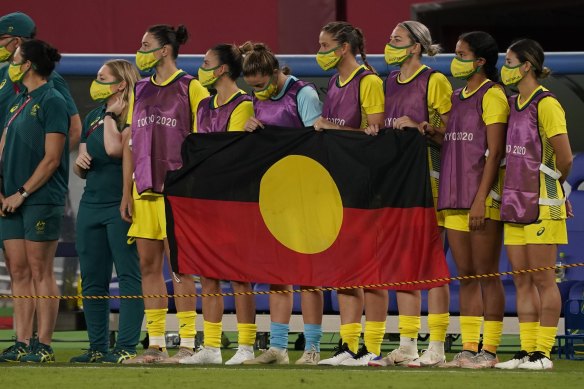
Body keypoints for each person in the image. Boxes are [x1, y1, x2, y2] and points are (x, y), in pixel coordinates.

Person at [365, 21, 452, 368]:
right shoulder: (388, 83)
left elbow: (455, 136)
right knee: (404, 266)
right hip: (398, 187)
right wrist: (375, 129)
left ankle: (438, 347)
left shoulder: (435, 81)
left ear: (415, 47)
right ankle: (407, 344)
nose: (389, 45)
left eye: (396, 40)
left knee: (434, 267)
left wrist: (421, 128)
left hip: (431, 183)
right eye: (389, 39)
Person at [120, 24, 209, 364]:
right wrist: (126, 192)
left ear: (164, 51)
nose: (139, 50)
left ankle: (187, 343)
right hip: (143, 190)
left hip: (177, 193)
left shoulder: (192, 88)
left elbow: (203, 144)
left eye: (145, 45)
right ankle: (156, 344)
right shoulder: (139, 89)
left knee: (182, 269)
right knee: (148, 267)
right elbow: (131, 143)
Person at [0, 14, 81, 362]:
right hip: (10, 191)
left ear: (18, 44)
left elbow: (67, 134)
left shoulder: (52, 91)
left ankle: (43, 344)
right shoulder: (17, 94)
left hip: (38, 191)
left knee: (39, 269)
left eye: (4, 40)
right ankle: (21, 341)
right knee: (18, 269)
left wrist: (50, 168)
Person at [238, 41, 324, 365]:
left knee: (308, 275)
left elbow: (315, 144)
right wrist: (252, 130)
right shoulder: (255, 99)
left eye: (260, 85)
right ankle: (278, 348)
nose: (256, 92)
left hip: (305, 194)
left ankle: (313, 348)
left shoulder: (304, 95)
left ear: (275, 74)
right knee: (277, 274)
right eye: (251, 87)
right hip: (274, 197)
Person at [311, 21, 386, 367]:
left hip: (364, 187)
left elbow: (374, 135)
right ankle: (347, 345)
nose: (321, 51)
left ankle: (370, 348)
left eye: (325, 45)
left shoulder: (368, 81)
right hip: (337, 187)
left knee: (370, 271)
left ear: (343, 48)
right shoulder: (333, 82)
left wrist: (330, 127)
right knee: (345, 271)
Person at [494, 39, 572, 370]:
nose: (505, 67)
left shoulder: (548, 104)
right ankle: (527, 351)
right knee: (522, 279)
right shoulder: (512, 104)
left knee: (543, 279)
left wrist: (551, 187)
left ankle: (543, 353)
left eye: (510, 61)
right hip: (514, 202)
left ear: (527, 65)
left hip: (542, 203)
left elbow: (565, 157)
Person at [178, 43, 257, 366]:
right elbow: (200, 148)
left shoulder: (244, 104)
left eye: (207, 62)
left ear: (223, 69)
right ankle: (210, 346)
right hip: (205, 199)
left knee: (239, 275)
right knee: (208, 274)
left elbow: (231, 151)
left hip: (236, 201)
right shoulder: (205, 105)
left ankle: (247, 346)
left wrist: (206, 157)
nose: (202, 66)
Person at [438, 31, 508, 369]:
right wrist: (428, 130)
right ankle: (467, 348)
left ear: (480, 60)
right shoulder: (455, 95)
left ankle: (490, 351)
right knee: (465, 274)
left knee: (486, 274)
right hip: (453, 197)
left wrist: (481, 199)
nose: (456, 59)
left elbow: (495, 153)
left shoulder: (493, 96)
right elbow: (453, 143)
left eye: (461, 53)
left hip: (481, 198)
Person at [69, 60, 144, 364]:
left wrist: (112, 115)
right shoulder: (93, 116)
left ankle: (125, 346)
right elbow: (83, 161)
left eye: (103, 78)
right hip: (91, 203)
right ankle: (97, 346)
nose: (96, 83)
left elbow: (115, 149)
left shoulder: (135, 113)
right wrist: (80, 164)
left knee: (128, 276)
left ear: (121, 84)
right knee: (92, 280)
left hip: (121, 204)